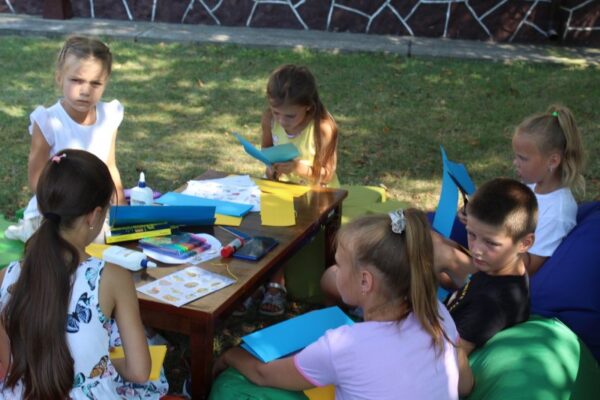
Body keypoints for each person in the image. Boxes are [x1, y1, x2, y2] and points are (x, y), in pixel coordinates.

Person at [214, 209, 474, 399]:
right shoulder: (436, 312)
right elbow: (464, 386)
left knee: (232, 385)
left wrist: (228, 355)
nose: (335, 271)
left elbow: (263, 374)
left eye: (339, 265)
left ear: (365, 281)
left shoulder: (343, 346)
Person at [0, 149, 167, 399]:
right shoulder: (111, 276)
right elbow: (140, 371)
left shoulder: (8, 275)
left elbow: (6, 364)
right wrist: (107, 363)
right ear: (95, 215)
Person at [432, 104, 584, 287]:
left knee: (436, 252)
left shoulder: (557, 211)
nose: (515, 163)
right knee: (428, 240)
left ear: (553, 161)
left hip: (503, 280)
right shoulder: (532, 186)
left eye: (523, 158)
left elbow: (527, 266)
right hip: (489, 257)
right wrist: (476, 218)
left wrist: (486, 235)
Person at [5, 35, 126, 243]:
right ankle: (27, 230)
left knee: (121, 241)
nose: (85, 90)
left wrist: (121, 208)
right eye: (76, 80)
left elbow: (110, 166)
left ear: (105, 83)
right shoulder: (48, 121)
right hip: (53, 212)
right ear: (59, 78)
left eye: (95, 83)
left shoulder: (109, 116)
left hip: (92, 212)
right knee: (83, 246)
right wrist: (70, 213)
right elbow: (36, 181)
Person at [249, 64, 339, 316]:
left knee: (284, 227)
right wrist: (270, 167)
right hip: (282, 188)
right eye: (276, 112)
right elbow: (267, 152)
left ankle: (275, 283)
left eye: (289, 116)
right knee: (252, 219)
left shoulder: (322, 127)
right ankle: (252, 282)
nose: (281, 120)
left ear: (308, 106)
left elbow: (326, 173)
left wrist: (298, 168)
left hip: (317, 192)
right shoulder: (270, 119)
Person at [445, 178, 536, 357]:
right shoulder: (498, 269)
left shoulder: (491, 304)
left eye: (491, 243)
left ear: (524, 243)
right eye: (471, 234)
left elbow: (452, 359)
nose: (476, 250)